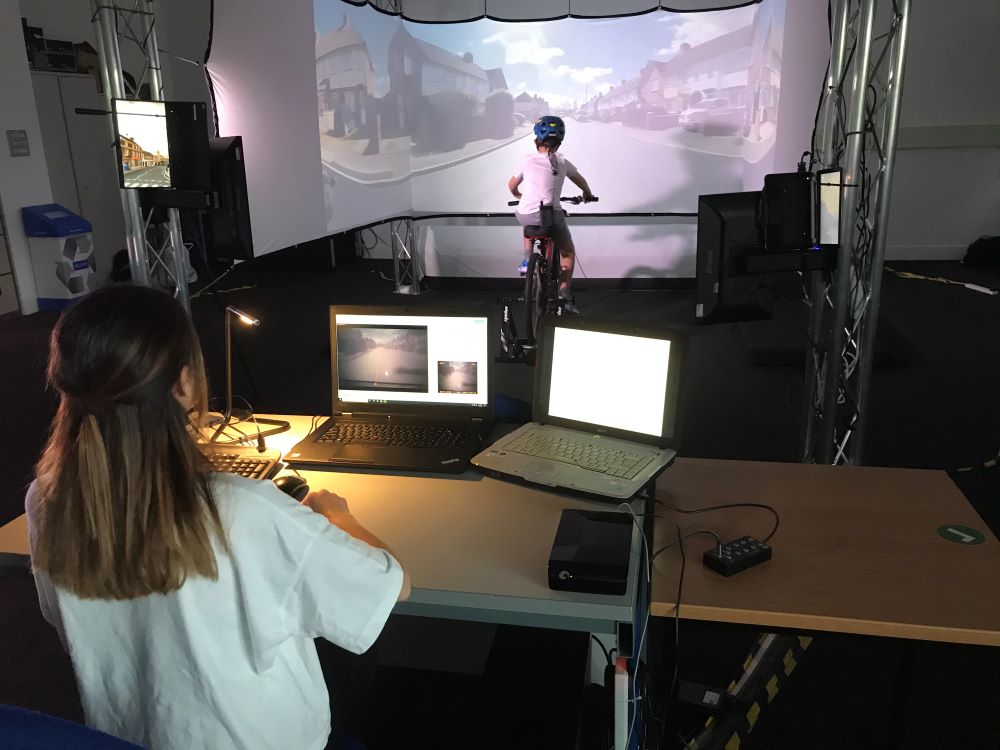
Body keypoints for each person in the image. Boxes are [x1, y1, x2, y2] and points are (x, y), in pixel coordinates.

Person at [25, 284, 410, 750]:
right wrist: (336, 515)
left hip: (126, 736)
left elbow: (57, 619)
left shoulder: (46, 499)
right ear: (184, 383)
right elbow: (392, 586)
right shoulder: (242, 509)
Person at [508, 115, 595, 314]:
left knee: (528, 225)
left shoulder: (527, 160)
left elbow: (511, 185)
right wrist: (587, 194)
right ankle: (564, 294)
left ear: (535, 141)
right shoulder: (562, 161)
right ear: (559, 142)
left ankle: (527, 260)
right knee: (567, 252)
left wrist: (518, 195)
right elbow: (580, 180)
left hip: (526, 213)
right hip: (551, 215)